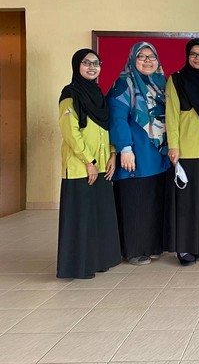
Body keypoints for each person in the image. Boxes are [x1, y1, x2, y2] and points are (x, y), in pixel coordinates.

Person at [57, 49, 121, 279]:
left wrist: (112, 154)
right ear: (77, 65)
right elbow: (70, 132)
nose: (92, 67)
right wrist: (89, 162)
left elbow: (106, 128)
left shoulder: (99, 95)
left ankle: (98, 260)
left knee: (98, 216)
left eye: (96, 63)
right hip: (80, 167)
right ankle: (79, 266)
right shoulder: (70, 94)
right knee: (81, 218)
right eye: (86, 63)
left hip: (102, 166)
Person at [107, 42, 171, 265]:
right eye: (141, 57)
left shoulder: (162, 83)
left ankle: (152, 246)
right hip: (135, 154)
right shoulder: (123, 84)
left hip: (158, 155)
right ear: (132, 59)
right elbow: (117, 118)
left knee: (153, 202)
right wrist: (125, 148)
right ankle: (133, 250)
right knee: (135, 202)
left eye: (151, 56)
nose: (147, 61)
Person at [164, 38, 199, 266]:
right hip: (186, 149)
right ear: (187, 56)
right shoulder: (176, 79)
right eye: (193, 54)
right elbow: (172, 114)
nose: (198, 58)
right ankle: (186, 247)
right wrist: (173, 145)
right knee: (186, 201)